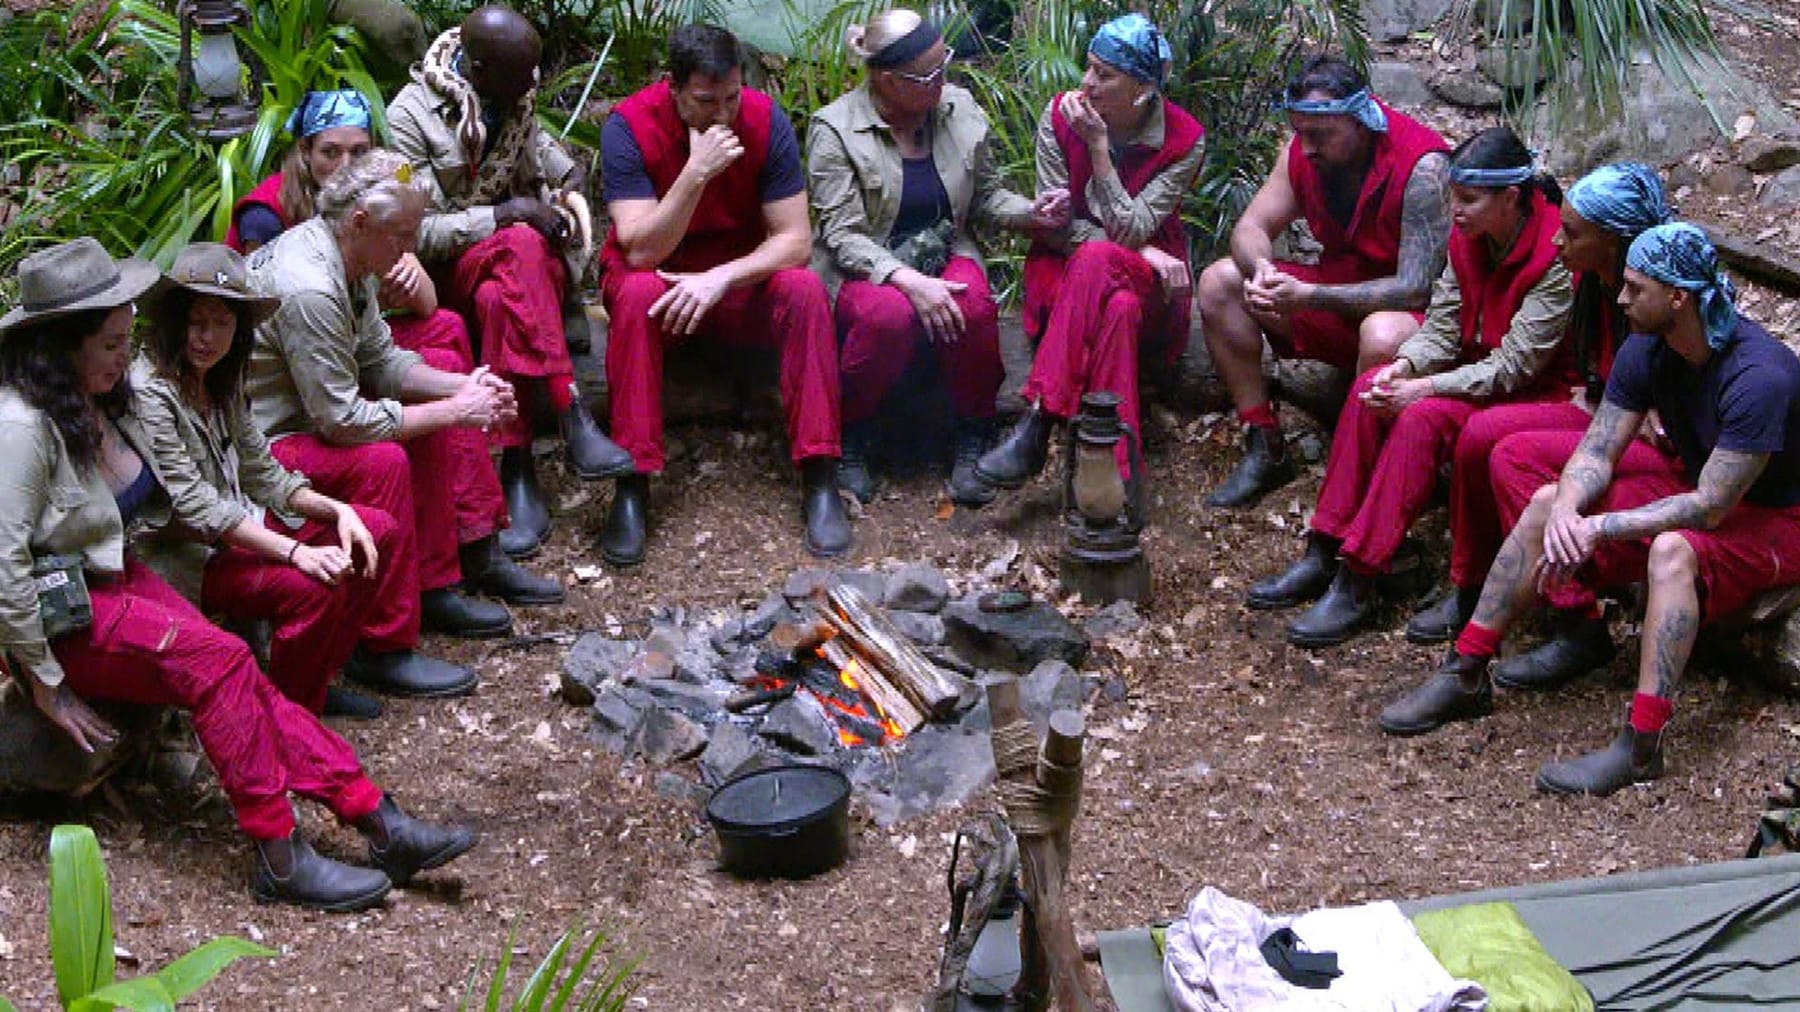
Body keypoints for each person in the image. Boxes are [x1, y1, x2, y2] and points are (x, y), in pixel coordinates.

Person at [0, 237, 475, 910]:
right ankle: (278, 854)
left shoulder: (103, 398)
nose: (123, 356)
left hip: (119, 578)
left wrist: (320, 510)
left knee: (241, 674)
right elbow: (6, 562)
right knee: (222, 660)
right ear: (63, 344)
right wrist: (45, 684)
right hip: (67, 613)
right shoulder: (22, 424)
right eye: (110, 343)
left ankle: (377, 817)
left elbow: (239, 468)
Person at [1378, 223, 1800, 796]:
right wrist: (1568, 509)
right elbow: (1597, 451)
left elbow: (1711, 507)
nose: (1620, 299)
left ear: (1678, 298)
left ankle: (1643, 744)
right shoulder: (1648, 348)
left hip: (1780, 517)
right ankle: (1467, 669)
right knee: (1548, 499)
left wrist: (1600, 527)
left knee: (1676, 553)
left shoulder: (1759, 376)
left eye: (1635, 288)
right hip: (1701, 486)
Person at [1248, 127, 1573, 648]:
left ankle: (1361, 574)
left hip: (1532, 391)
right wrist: (1406, 365)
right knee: (1374, 386)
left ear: (1511, 198)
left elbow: (1516, 365)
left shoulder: (1552, 256)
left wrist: (1424, 389)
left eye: (1468, 200)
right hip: (1473, 373)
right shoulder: (1468, 239)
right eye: (1452, 198)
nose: (1456, 211)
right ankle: (1326, 543)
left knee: (1420, 416)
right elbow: (1443, 325)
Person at [247, 149, 564, 660]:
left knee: (434, 377)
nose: (411, 247)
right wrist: (454, 411)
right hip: (267, 444)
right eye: (401, 236)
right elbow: (342, 422)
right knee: (386, 457)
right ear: (358, 221)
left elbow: (381, 359)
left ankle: (440, 578)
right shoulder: (310, 286)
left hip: (313, 417)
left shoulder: (355, 256)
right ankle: (383, 643)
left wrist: (462, 387)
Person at [133, 243, 474, 716]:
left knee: (376, 532)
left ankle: (315, 674)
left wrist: (340, 512)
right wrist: (297, 551)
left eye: (221, 323)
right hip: (188, 558)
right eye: (196, 321)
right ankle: (289, 709)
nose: (206, 337)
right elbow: (197, 509)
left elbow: (264, 473)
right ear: (174, 320)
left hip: (234, 533)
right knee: (309, 586)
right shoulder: (152, 392)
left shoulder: (218, 380)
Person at [389, 5, 634, 558]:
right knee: (519, 241)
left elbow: (548, 157)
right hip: (451, 266)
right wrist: (505, 214)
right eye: (522, 75)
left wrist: (568, 178)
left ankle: (518, 464)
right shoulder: (411, 116)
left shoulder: (515, 99)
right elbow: (417, 232)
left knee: (502, 296)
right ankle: (569, 409)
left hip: (511, 276)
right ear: (477, 68)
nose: (533, 84)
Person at [598, 24, 849, 564]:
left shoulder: (764, 119)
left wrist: (720, 280)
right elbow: (640, 250)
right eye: (705, 101)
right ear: (672, 86)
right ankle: (633, 480)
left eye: (731, 97)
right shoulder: (628, 127)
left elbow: (795, 241)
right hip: (664, 280)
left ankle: (820, 470)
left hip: (733, 278)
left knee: (804, 289)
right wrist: (696, 173)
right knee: (637, 291)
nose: (722, 114)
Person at [806, 10, 1071, 505]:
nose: (942, 80)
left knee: (971, 304)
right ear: (888, 80)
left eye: (943, 65)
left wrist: (1033, 212)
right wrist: (907, 280)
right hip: (869, 261)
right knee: (887, 317)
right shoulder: (835, 130)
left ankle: (973, 431)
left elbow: (987, 196)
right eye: (928, 75)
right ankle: (854, 434)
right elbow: (842, 235)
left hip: (945, 245)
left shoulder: (958, 109)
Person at [1403, 163, 1673, 647]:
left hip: (1650, 442)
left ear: (1611, 240)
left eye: (1571, 233)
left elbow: (1664, 400)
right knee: (1478, 435)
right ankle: (1472, 580)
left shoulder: (1651, 296)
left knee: (1513, 454)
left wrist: (1627, 408)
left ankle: (1575, 619)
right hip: (1605, 413)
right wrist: (1599, 394)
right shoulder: (1594, 282)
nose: (1556, 242)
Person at [1197, 55, 1451, 508]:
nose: (1308, 147)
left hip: (1407, 323)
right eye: (1301, 133)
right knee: (1220, 282)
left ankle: (1365, 477)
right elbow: (1250, 227)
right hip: (1334, 299)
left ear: (1360, 121)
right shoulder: (1304, 151)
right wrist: (1264, 273)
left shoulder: (1423, 167)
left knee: (1383, 331)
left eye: (1321, 135)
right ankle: (1264, 440)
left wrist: (1310, 296)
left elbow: (1418, 288)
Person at [971, 13, 1203, 494]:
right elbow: (1057, 231)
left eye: (1104, 74)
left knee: (1103, 266)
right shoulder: (1059, 115)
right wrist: (1135, 247)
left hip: (1152, 278)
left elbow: (1133, 226)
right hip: (1068, 270)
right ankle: (1117, 474)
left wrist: (1098, 147)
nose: (1087, 82)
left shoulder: (1184, 140)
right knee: (1114, 303)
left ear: (1142, 89)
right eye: (1089, 67)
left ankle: (1040, 420)